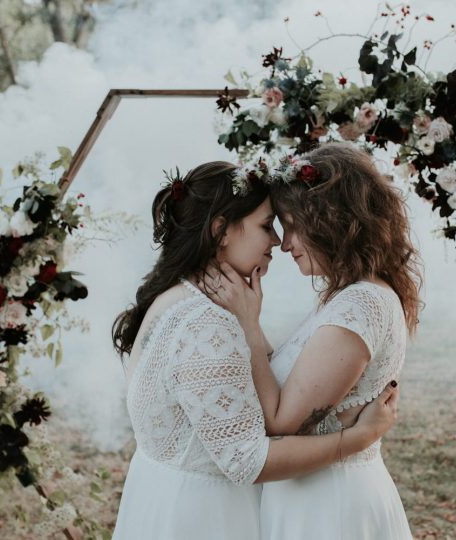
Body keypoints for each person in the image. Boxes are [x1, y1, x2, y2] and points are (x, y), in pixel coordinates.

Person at [110, 160, 400, 540]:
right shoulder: (206, 323)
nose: (277, 243)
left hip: (162, 500)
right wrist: (357, 440)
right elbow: (247, 458)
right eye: (267, 226)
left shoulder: (178, 297)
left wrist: (249, 321)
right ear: (221, 231)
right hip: (204, 517)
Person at [200, 143, 421, 539]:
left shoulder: (362, 304)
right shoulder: (348, 296)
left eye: (292, 225)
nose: (285, 245)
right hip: (310, 498)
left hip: (330, 509)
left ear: (332, 221)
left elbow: (283, 422)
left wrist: (249, 325)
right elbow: (289, 385)